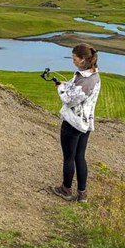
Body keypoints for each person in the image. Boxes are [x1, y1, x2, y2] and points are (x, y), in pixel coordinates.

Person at [50, 43, 101, 202]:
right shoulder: (93, 75)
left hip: (73, 123)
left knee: (69, 158)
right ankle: (82, 193)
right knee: (80, 157)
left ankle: (65, 189)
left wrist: (60, 88)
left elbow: (68, 100)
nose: (73, 61)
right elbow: (76, 89)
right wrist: (66, 85)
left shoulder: (85, 80)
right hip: (85, 124)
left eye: (74, 58)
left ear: (83, 59)